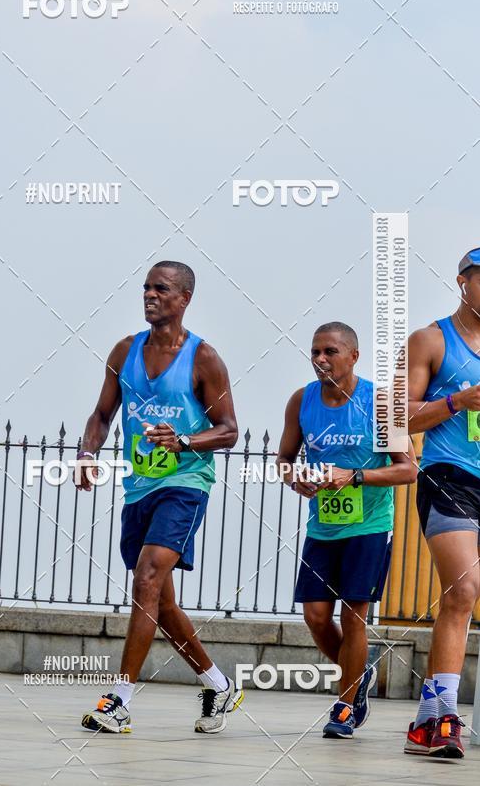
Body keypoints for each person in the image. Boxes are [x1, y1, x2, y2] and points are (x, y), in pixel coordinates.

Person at [76, 261, 243, 734]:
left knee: (147, 578)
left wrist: (186, 441)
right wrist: (88, 452)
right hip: (139, 489)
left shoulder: (204, 358)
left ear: (184, 298)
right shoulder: (124, 351)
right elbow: (102, 414)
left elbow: (230, 431)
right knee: (162, 604)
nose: (150, 295)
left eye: (161, 288)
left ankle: (119, 699)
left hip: (186, 486)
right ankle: (218, 684)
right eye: (146, 287)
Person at [276, 322, 416, 739]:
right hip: (323, 526)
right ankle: (358, 676)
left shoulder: (378, 402)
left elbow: (408, 469)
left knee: (353, 616)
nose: (321, 359)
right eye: (316, 352)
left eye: (330, 352)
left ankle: (344, 704)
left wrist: (354, 476)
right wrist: (295, 477)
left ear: (353, 356)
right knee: (316, 616)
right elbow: (283, 459)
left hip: (370, 525)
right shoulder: (302, 401)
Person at [404, 247, 480, 759]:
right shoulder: (432, 339)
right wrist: (458, 400)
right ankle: (447, 719)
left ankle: (425, 720)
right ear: (463, 282)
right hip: (448, 473)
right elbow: (401, 418)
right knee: (463, 589)